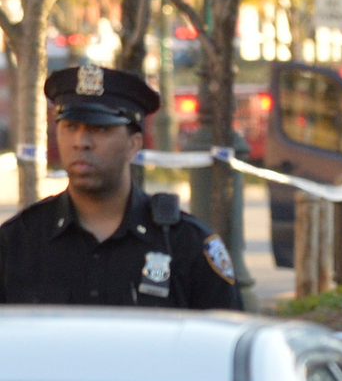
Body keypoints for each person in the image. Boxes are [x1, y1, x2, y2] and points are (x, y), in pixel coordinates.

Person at [0, 64, 239, 310]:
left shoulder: (184, 244)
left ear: (134, 145)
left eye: (100, 129)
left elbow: (224, 338)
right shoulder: (19, 242)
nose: (81, 142)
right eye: (70, 127)